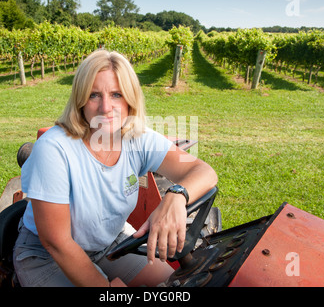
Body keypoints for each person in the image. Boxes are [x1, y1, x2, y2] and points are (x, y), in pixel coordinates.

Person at [13, 49, 218, 287]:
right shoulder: (54, 149)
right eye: (94, 95)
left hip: (107, 243)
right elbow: (56, 241)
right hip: (46, 257)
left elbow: (204, 172)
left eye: (117, 94)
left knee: (174, 284)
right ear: (80, 100)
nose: (106, 107)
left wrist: (176, 196)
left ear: (131, 99)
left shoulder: (138, 138)